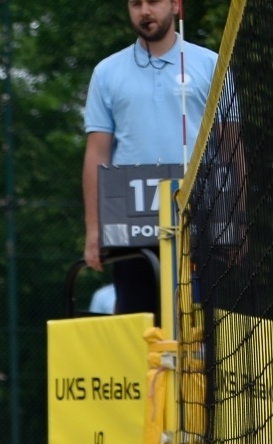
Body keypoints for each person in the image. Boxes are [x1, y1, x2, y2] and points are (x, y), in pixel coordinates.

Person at [82, 0, 218, 318]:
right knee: (138, 330)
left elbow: (230, 145)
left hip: (199, 220)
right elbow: (97, 154)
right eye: (135, 4)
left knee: (204, 332)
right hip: (130, 227)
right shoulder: (106, 72)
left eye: (153, 2)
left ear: (175, 4)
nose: (144, 11)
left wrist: (235, 222)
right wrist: (93, 230)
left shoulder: (210, 64)